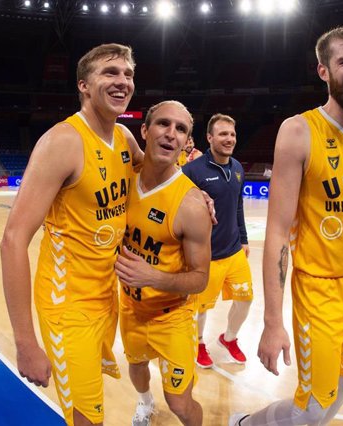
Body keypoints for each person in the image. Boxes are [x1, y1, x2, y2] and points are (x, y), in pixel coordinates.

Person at [229, 25, 343, 425]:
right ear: (323, 71)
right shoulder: (299, 131)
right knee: (314, 410)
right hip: (320, 291)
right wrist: (272, 321)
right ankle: (246, 423)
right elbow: (277, 233)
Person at [0, 43, 144, 426]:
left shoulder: (126, 140)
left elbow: (158, 187)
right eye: (110, 72)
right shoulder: (62, 142)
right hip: (68, 307)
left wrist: (199, 197)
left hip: (105, 297)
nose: (122, 81)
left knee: (91, 404)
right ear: (83, 84)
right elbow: (13, 239)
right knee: (86, 419)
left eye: (128, 74)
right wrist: (26, 343)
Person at [116, 101, 211, 426]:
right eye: (163, 124)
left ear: (187, 142)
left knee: (181, 404)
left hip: (171, 317)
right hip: (129, 308)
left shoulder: (192, 204)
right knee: (137, 368)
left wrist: (155, 277)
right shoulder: (123, 177)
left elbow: (200, 278)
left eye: (181, 129)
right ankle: (144, 401)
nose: (172, 134)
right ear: (145, 130)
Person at [182, 113, 253, 368]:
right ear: (210, 138)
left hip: (234, 250)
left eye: (232, 134)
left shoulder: (237, 168)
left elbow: (238, 206)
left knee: (245, 298)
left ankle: (229, 338)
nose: (229, 139)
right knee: (201, 307)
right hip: (206, 254)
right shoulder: (191, 171)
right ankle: (199, 343)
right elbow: (179, 212)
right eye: (223, 134)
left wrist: (244, 238)